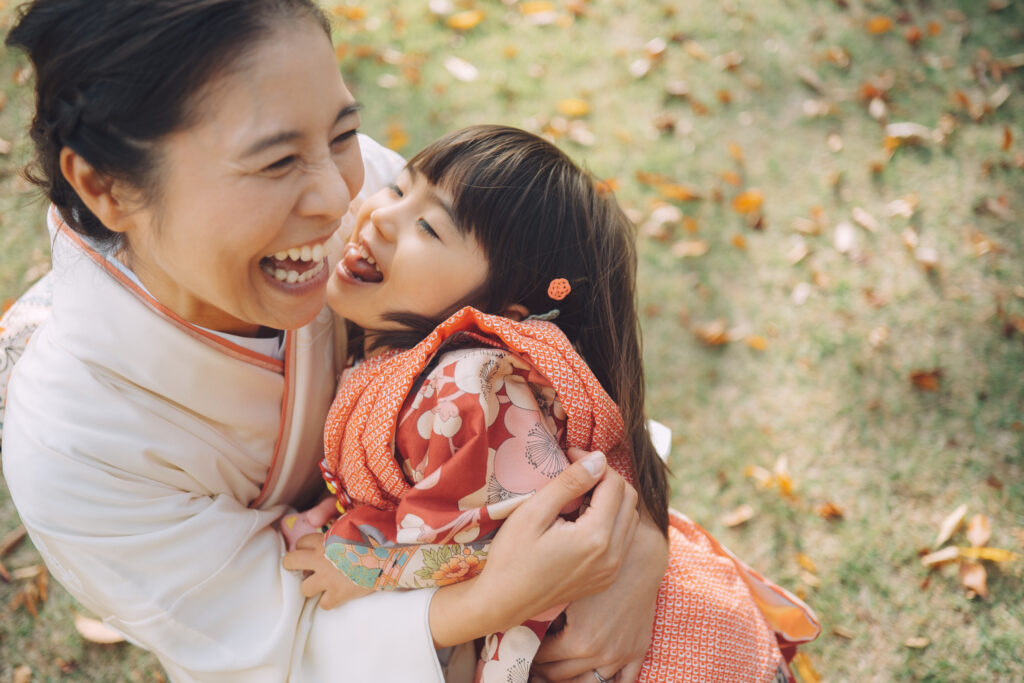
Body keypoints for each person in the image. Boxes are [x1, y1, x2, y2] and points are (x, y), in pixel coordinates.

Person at [0, 2, 671, 681]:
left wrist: (636, 541)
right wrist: (495, 596)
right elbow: (269, 647)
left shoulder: (369, 214)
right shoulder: (74, 441)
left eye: (343, 132)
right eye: (276, 161)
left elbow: (531, 355)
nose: (340, 196)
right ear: (105, 186)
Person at [280, 126, 821, 682]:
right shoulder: (401, 360)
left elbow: (496, 545)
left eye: (428, 227)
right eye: (397, 189)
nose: (380, 217)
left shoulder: (468, 388)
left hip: (676, 658)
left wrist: (361, 563)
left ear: (506, 312)